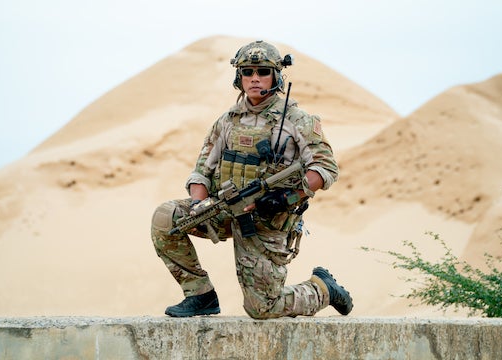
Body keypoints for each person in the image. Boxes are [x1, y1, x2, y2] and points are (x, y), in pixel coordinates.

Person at [151, 40, 353, 319]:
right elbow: (202, 171)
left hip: (269, 219)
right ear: (239, 77)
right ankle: (200, 294)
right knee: (166, 217)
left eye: (263, 71)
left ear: (276, 76)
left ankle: (323, 289)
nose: (255, 78)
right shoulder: (227, 121)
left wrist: (284, 198)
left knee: (262, 308)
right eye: (247, 72)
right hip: (224, 209)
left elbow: (324, 168)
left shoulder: (297, 120)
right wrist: (199, 205)